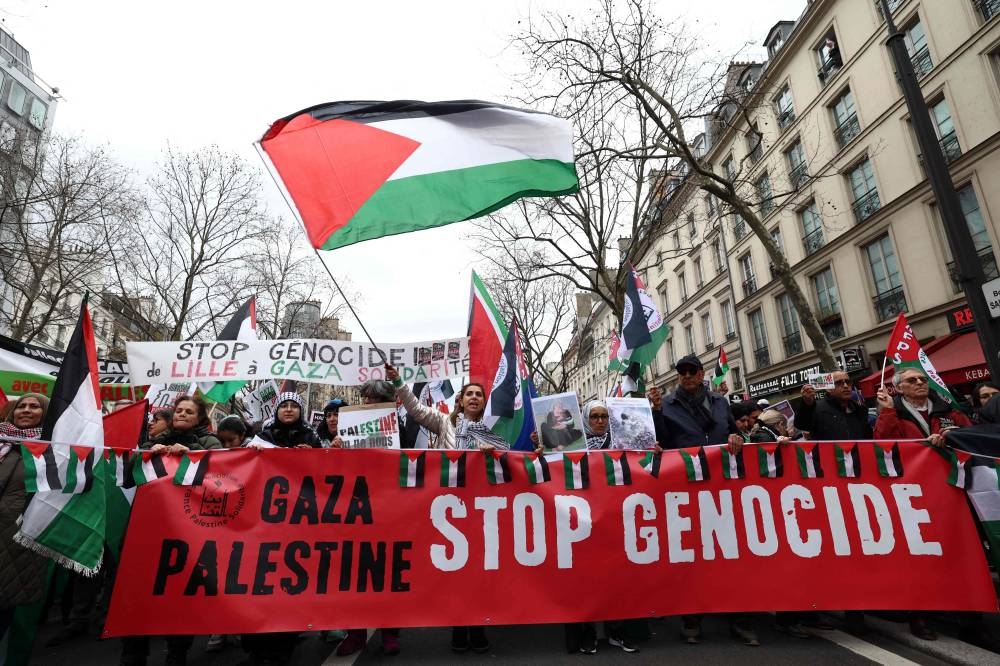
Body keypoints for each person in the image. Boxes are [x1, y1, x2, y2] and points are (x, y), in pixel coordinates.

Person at [387, 364, 499, 653]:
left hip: (480, 510)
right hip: (449, 509)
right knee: (456, 573)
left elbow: (508, 466)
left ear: (484, 403)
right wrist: (399, 382)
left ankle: (478, 626)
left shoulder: (492, 432)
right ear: (460, 400)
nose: (474, 398)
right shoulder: (444, 423)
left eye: (479, 395)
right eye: (469, 394)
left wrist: (494, 453)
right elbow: (415, 410)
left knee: (478, 573)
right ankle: (460, 627)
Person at [657, 355, 750, 646]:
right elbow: (661, 444)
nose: (686, 376)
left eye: (691, 371)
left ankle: (739, 619)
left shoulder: (720, 403)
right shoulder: (667, 407)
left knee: (730, 557)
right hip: (686, 491)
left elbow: (733, 431)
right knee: (692, 558)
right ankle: (692, 620)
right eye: (681, 372)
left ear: (701, 373)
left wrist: (738, 438)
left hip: (722, 488)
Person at [121, 395, 220, 666]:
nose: (182, 415)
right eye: (179, 410)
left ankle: (177, 653)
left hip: (186, 532)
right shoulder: (154, 441)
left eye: (189, 411)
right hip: (147, 528)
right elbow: (129, 479)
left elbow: (220, 476)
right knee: (138, 592)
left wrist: (191, 453)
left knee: (180, 594)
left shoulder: (210, 443)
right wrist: (148, 455)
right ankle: (133, 653)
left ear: (200, 418)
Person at [334, 380, 402, 656]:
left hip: (391, 509)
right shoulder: (346, 427)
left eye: (373, 399)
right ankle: (356, 632)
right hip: (356, 509)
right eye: (364, 398)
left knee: (388, 572)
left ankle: (390, 631)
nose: (367, 404)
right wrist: (335, 447)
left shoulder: (403, 428)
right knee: (353, 574)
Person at [0, 393, 50, 638]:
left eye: (35, 407)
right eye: (22, 405)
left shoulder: (54, 452)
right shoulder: (1, 441)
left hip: (17, 544)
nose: (26, 410)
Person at [874, 369, 970, 446]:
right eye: (911, 380)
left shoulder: (950, 409)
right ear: (899, 388)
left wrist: (954, 435)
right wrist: (888, 409)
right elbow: (884, 445)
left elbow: (971, 436)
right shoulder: (892, 414)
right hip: (914, 468)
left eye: (923, 379)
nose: (920, 382)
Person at [796, 371, 872, 442]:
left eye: (848, 382)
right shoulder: (816, 409)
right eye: (839, 383)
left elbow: (869, 439)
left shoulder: (860, 410)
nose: (845, 386)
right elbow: (802, 424)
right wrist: (807, 404)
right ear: (829, 388)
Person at [253, 392, 322, 449]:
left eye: (294, 406)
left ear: (300, 412)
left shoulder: (311, 437)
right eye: (284, 406)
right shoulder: (264, 436)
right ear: (276, 411)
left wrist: (312, 453)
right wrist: (255, 451)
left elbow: (322, 460)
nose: (289, 409)